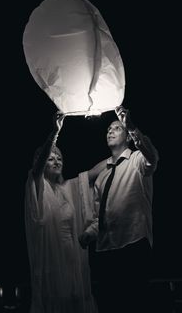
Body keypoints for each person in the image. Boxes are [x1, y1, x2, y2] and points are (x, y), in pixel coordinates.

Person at [78, 106, 159, 312]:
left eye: (116, 127)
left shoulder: (137, 160)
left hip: (133, 243)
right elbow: (99, 214)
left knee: (134, 304)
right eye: (108, 129)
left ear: (128, 137)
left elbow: (152, 157)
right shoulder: (102, 175)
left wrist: (131, 126)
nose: (110, 131)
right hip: (106, 248)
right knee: (109, 305)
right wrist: (89, 233)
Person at [24, 112, 106, 313]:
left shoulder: (70, 188)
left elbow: (95, 172)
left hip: (73, 257)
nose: (56, 161)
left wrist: (120, 153)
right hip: (51, 259)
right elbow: (36, 169)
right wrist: (55, 132)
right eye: (50, 158)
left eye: (59, 157)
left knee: (76, 299)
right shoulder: (37, 187)